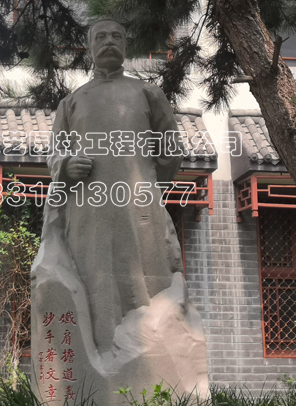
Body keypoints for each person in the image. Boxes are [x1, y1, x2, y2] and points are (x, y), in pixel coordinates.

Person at [37, 19, 186, 354]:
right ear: (89, 47)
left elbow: (171, 150)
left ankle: (151, 352)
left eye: (116, 36)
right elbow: (55, 154)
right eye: (100, 37)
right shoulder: (72, 102)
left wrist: (149, 187)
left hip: (139, 208)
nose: (109, 41)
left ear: (126, 45)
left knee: (147, 278)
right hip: (88, 209)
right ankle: (101, 351)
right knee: (94, 275)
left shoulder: (148, 94)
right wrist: (66, 166)